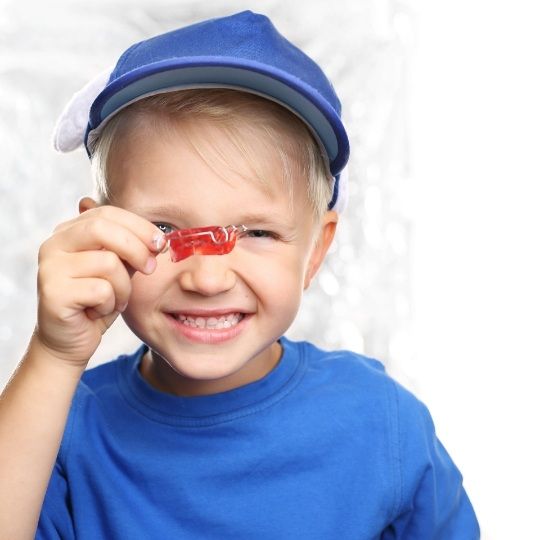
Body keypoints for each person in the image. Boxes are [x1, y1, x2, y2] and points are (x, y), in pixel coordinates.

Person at [0, 10, 480, 539]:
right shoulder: (56, 431)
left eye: (256, 233)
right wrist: (54, 353)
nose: (208, 279)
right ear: (99, 236)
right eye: (163, 226)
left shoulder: (380, 422)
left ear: (316, 252)